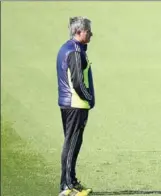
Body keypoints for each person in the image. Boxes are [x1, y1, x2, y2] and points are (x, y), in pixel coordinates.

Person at [56, 16, 95, 196]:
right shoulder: (75, 52)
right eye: (88, 31)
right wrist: (90, 99)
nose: (91, 34)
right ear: (79, 32)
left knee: (72, 144)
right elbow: (78, 83)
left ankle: (71, 182)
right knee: (71, 145)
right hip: (76, 104)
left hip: (69, 104)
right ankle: (67, 187)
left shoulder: (69, 48)